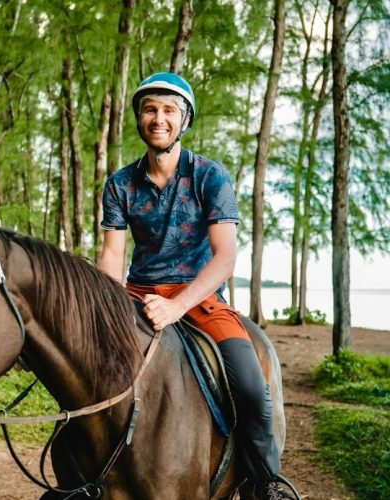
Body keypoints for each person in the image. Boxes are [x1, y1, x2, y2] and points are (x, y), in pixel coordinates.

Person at [97, 72, 297, 499]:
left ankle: (267, 481)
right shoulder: (119, 184)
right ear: (139, 118)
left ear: (184, 120)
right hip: (137, 295)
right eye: (150, 109)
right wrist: (106, 310)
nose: (159, 118)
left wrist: (176, 306)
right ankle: (82, 472)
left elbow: (225, 257)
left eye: (169, 110)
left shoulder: (210, 176)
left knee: (250, 383)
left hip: (200, 298)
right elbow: (112, 256)